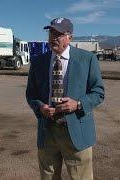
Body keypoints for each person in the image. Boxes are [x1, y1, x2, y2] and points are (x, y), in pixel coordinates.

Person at [26, 17, 105, 180]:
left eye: (59, 34)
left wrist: (78, 104)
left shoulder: (87, 59)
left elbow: (98, 93)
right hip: (47, 131)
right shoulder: (38, 62)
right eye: (51, 32)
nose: (53, 37)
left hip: (76, 132)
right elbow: (31, 94)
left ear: (70, 37)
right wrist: (40, 107)